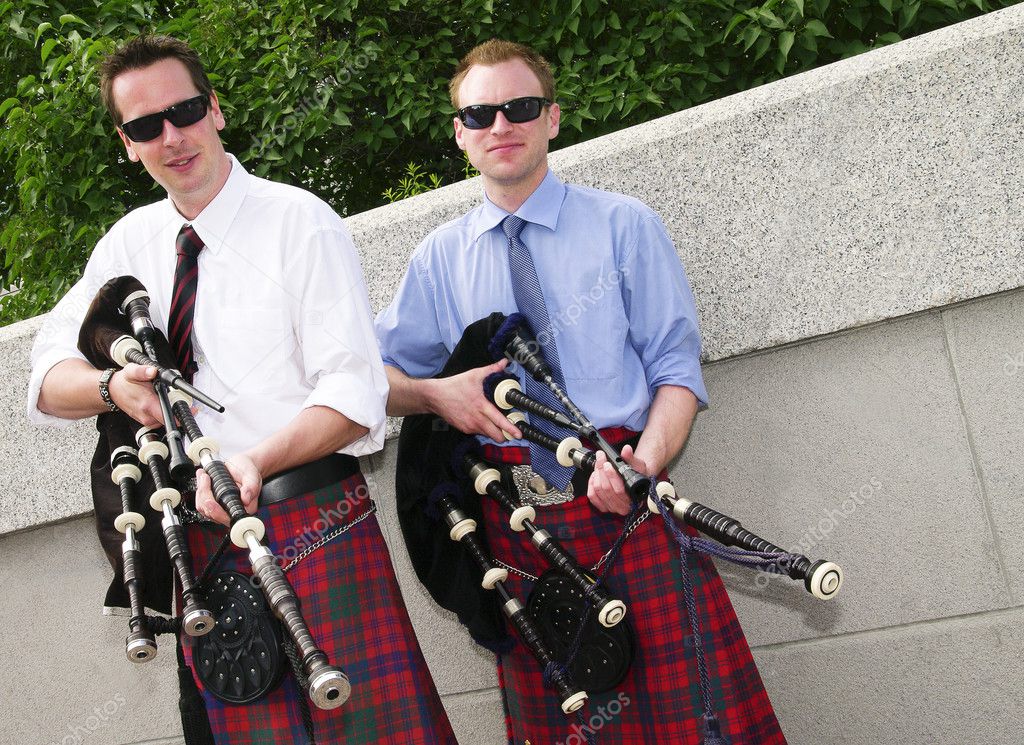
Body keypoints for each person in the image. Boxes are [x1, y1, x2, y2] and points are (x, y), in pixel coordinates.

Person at [28, 34, 456, 745]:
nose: (171, 136)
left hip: (314, 520)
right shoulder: (127, 243)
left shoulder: (299, 222)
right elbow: (46, 380)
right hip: (204, 548)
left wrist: (255, 460)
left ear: (216, 109)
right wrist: (116, 387)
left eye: (185, 110)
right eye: (145, 126)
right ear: (127, 144)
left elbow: (354, 395)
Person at [376, 39, 786, 744]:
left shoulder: (624, 225)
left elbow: (676, 372)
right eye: (479, 114)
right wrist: (439, 396)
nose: (500, 125)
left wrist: (643, 461)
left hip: (626, 503)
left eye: (520, 107)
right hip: (516, 531)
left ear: (553, 118)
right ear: (459, 134)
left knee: (696, 725)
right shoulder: (439, 259)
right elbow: (377, 379)